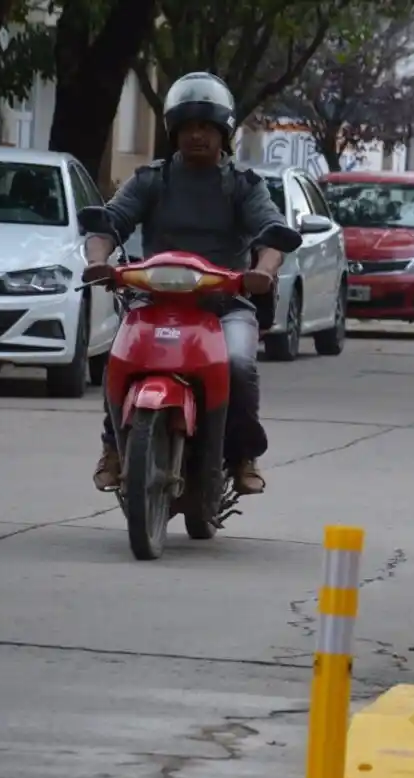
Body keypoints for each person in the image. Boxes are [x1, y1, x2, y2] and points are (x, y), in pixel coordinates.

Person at [81, 72, 296, 496]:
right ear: (173, 131)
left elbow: (273, 234)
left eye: (206, 128)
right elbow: (109, 223)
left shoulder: (244, 186)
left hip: (224, 305)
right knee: (119, 356)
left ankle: (242, 455)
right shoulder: (150, 180)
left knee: (238, 363)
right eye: (188, 127)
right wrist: (97, 261)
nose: (196, 136)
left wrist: (263, 272)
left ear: (223, 133)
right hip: (154, 299)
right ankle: (113, 448)